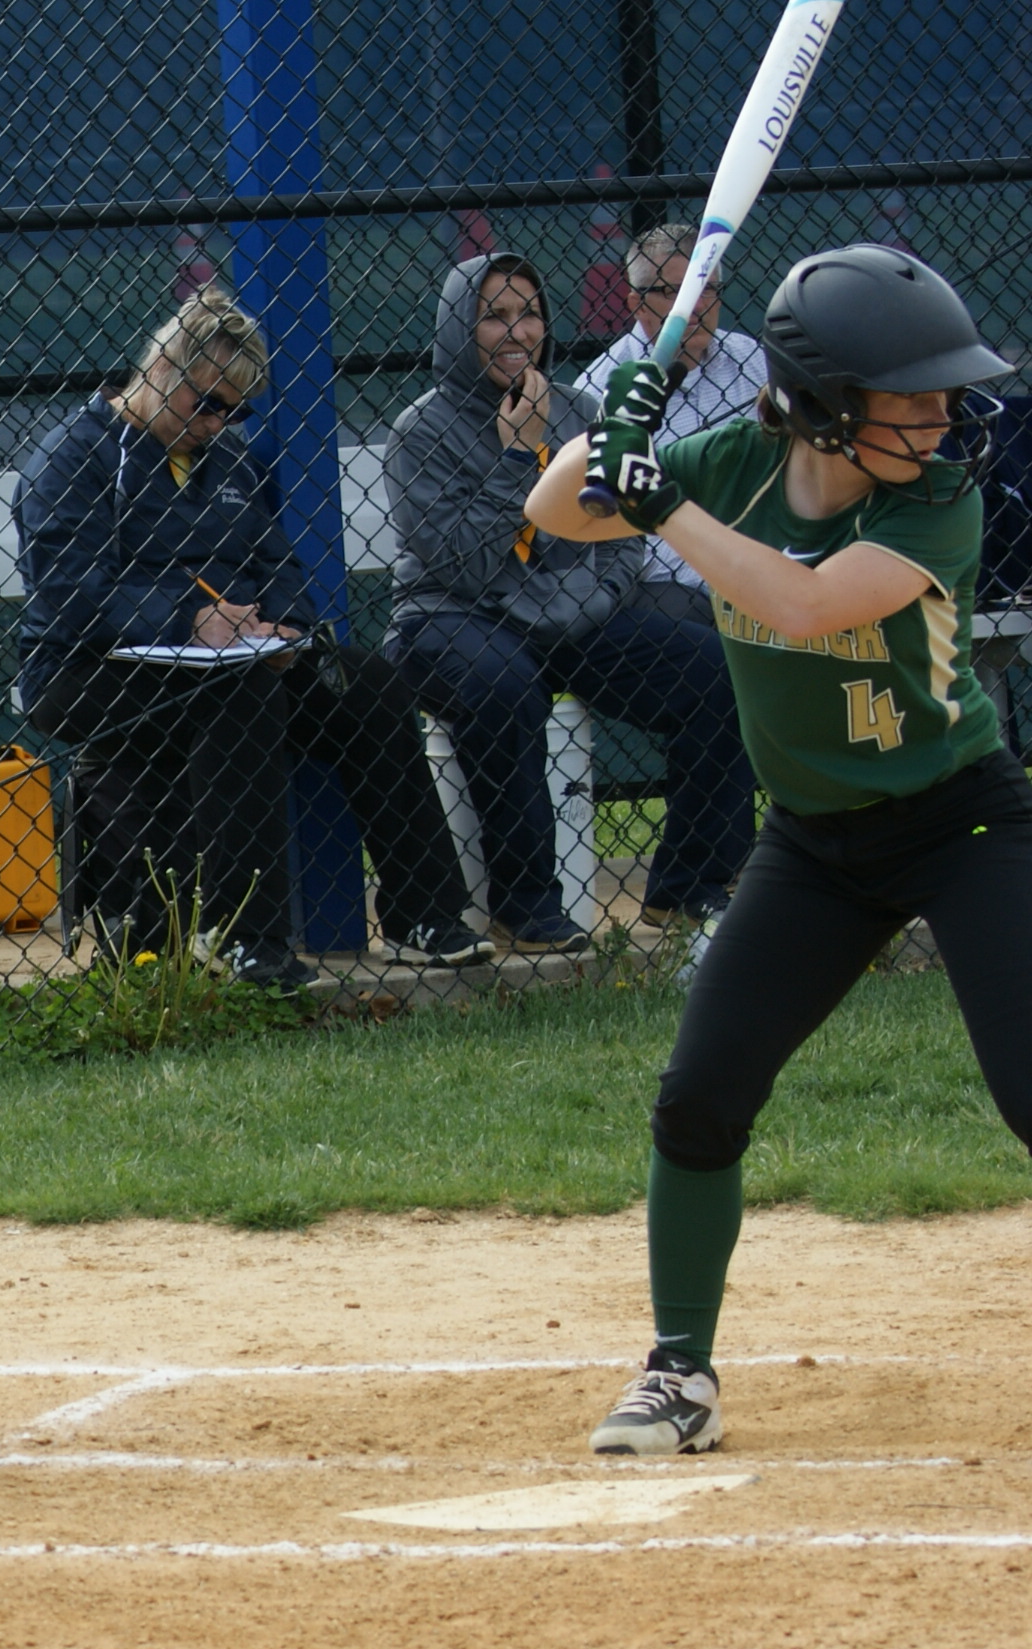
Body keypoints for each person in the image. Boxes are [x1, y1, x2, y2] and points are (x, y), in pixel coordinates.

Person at [530, 244, 1020, 1455]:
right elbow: (548, 511)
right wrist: (612, 433)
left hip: (960, 819)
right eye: (912, 398)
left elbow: (801, 603)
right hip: (811, 843)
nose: (942, 415)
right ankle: (679, 1372)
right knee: (700, 1098)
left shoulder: (935, 502)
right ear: (825, 405)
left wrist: (658, 501)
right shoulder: (728, 465)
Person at [16, 290, 487, 984]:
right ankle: (240, 939)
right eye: (206, 403)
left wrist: (285, 627)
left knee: (371, 687)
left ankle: (425, 914)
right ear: (161, 370)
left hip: (224, 659)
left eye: (234, 411)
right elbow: (69, 595)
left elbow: (278, 563)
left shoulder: (229, 459)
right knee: (239, 695)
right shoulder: (77, 457)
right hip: (86, 669)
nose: (217, 424)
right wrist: (187, 618)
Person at [385, 252, 755, 947]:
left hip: (570, 612)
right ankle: (525, 903)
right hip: (456, 617)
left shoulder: (583, 409)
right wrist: (519, 456)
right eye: (493, 315)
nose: (516, 331)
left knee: (716, 674)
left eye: (529, 313)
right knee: (504, 687)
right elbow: (463, 564)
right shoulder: (421, 430)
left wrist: (590, 599)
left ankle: (688, 884)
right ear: (457, 329)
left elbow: (621, 535)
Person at [571, 224, 772, 628]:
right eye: (674, 292)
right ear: (637, 303)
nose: (696, 305)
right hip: (665, 582)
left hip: (759, 562)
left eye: (708, 289)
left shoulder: (752, 360)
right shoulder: (597, 388)